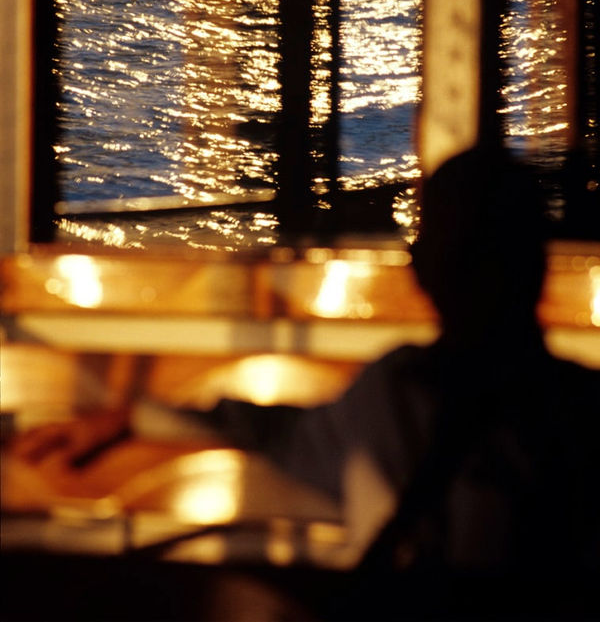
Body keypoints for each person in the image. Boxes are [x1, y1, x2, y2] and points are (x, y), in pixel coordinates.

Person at [11, 146, 600, 615]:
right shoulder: (562, 404)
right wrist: (131, 418)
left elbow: (275, 432)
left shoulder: (398, 395)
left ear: (430, 273)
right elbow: (270, 428)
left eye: (459, 249)